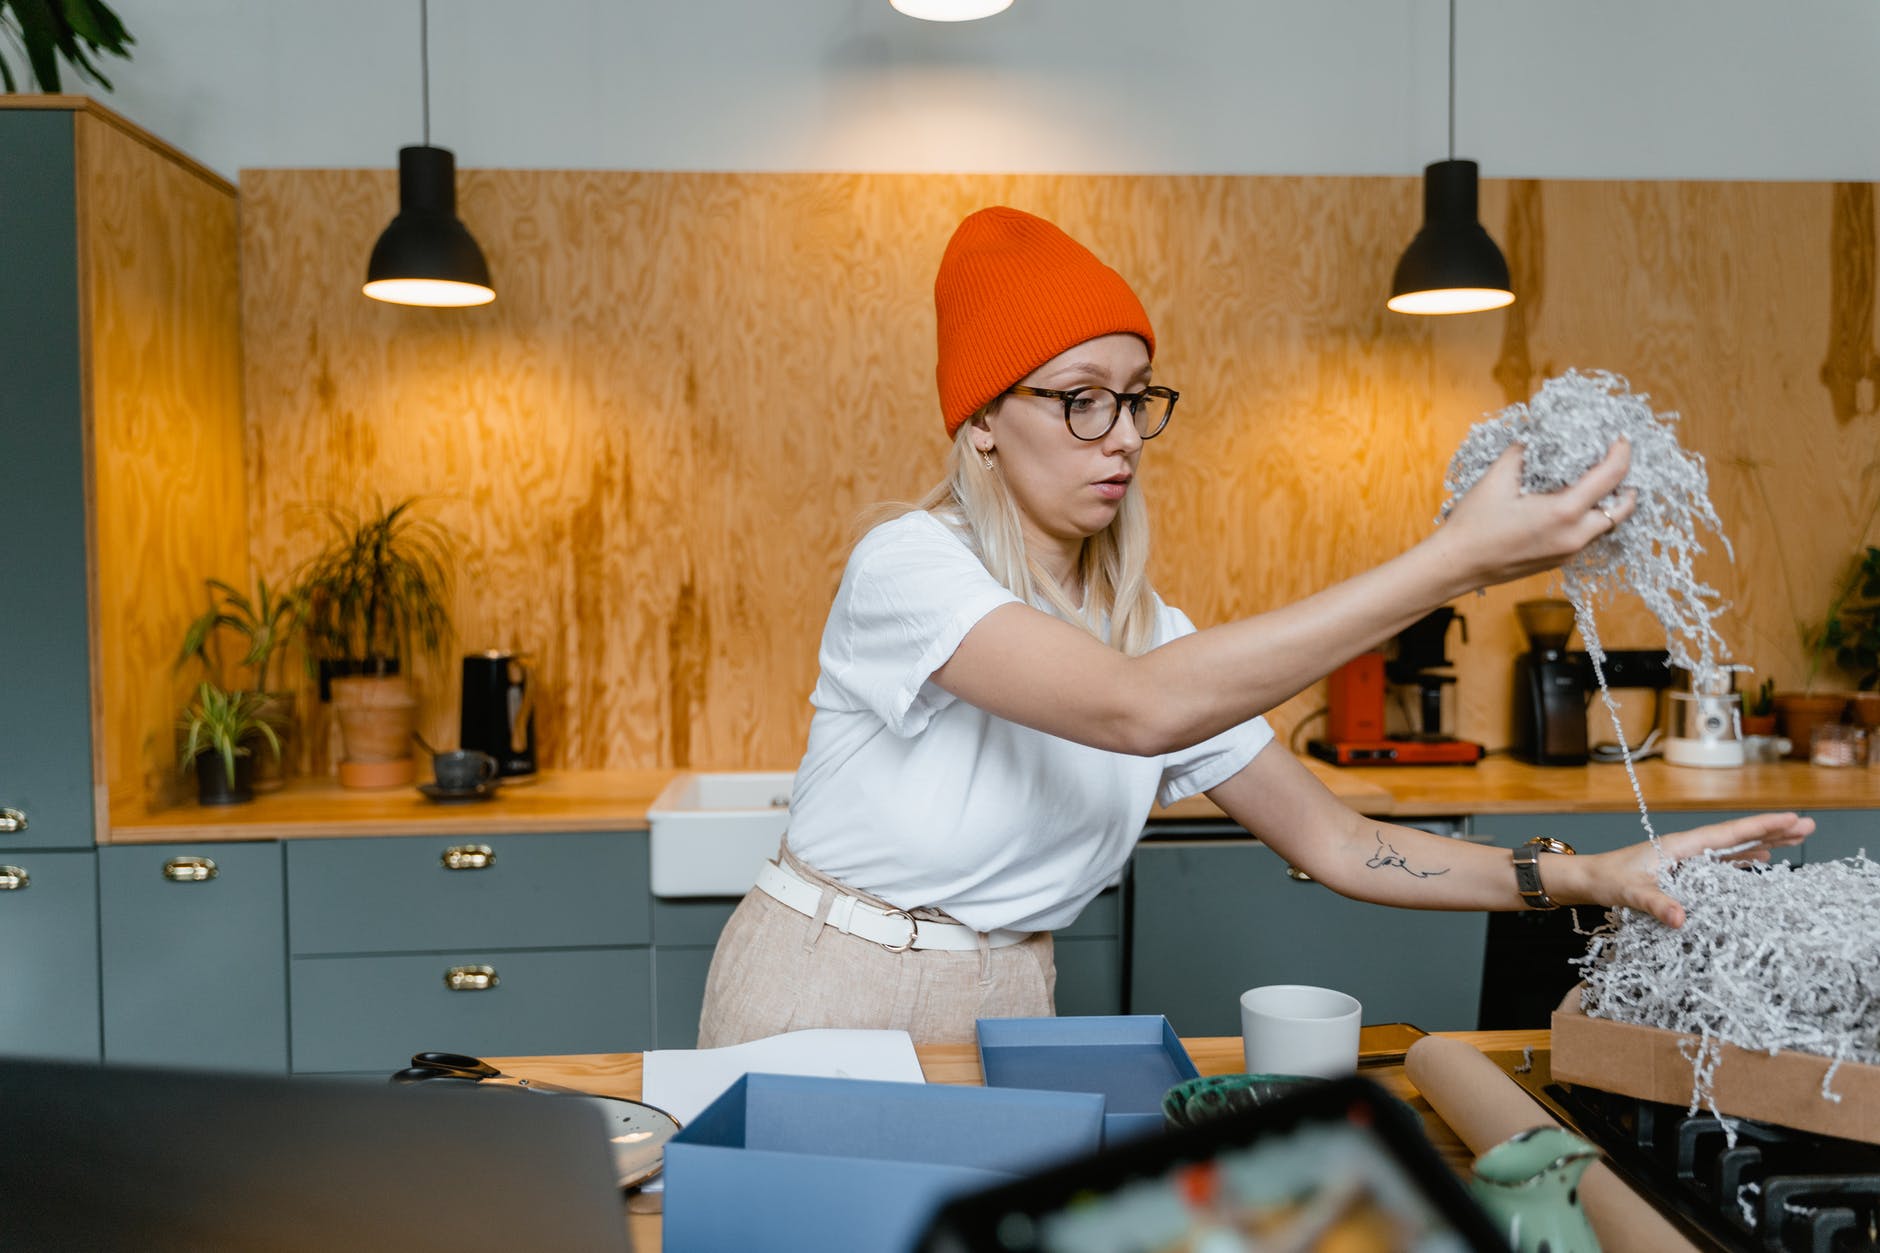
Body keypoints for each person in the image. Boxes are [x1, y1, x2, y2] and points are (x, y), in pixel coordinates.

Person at [696, 206, 1813, 1047]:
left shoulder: (1149, 630)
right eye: (1078, 395)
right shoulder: (909, 565)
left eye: (1136, 395)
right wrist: (1448, 564)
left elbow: (1334, 843)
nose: (1121, 433)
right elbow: (1133, 712)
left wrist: (1594, 875)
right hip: (827, 981)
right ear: (984, 419)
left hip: (1012, 993)